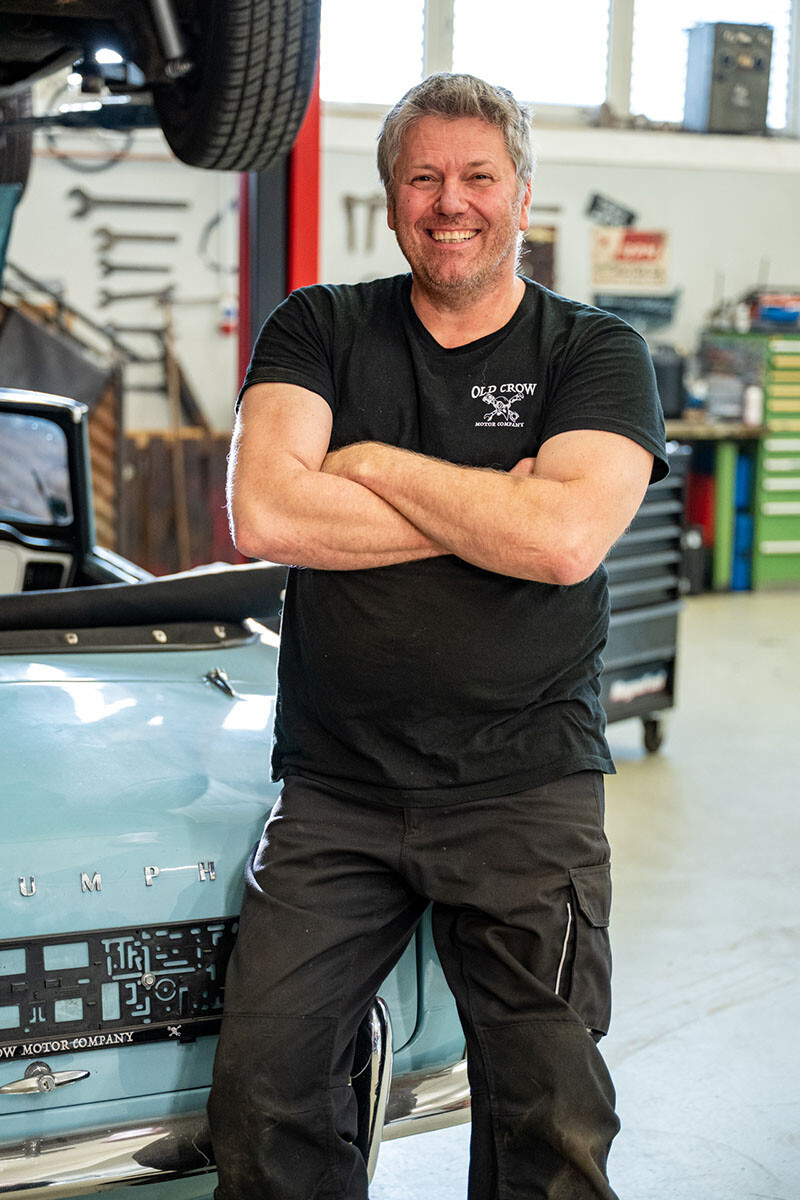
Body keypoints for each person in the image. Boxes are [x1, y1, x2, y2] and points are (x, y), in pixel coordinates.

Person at [208, 72, 667, 1200]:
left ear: (521, 194)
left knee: (549, 1120)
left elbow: (562, 541)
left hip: (524, 788)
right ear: (390, 198)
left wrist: (366, 466)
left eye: (476, 176)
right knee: (264, 1098)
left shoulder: (594, 351)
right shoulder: (318, 326)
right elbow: (266, 514)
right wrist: (493, 507)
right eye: (422, 177)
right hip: (336, 790)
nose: (449, 201)